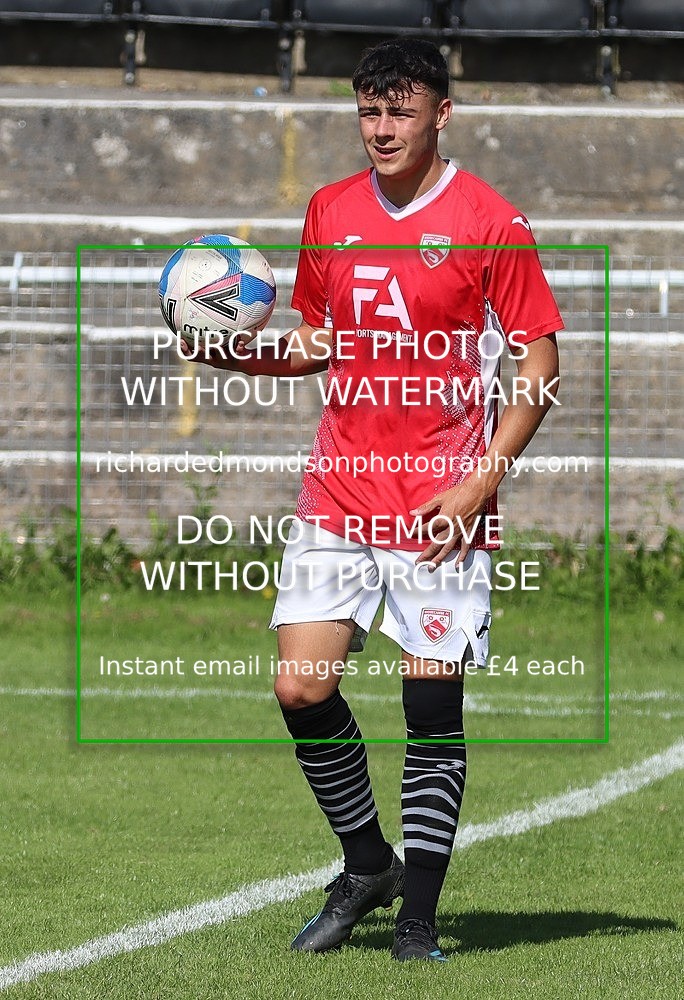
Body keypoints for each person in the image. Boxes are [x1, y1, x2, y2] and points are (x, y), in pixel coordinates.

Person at [185, 37, 562, 961]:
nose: (382, 128)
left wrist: (482, 481)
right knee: (299, 684)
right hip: (341, 494)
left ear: (442, 113)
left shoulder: (490, 221)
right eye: (368, 110)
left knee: (430, 711)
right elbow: (319, 339)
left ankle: (420, 926)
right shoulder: (331, 209)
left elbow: (540, 363)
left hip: (442, 503)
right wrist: (240, 351)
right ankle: (367, 864)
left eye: (400, 110)